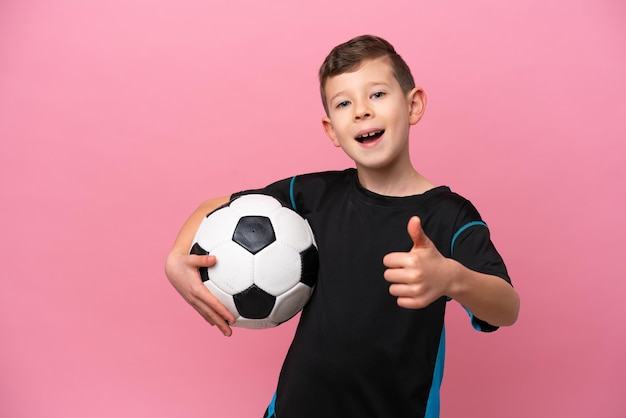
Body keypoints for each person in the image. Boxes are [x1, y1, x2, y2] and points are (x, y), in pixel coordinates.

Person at [165, 34, 520, 418]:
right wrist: (175, 260)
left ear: (413, 105)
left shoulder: (449, 215)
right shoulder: (313, 194)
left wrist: (452, 278)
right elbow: (214, 206)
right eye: (344, 103)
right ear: (332, 129)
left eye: (378, 95)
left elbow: (506, 308)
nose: (361, 112)